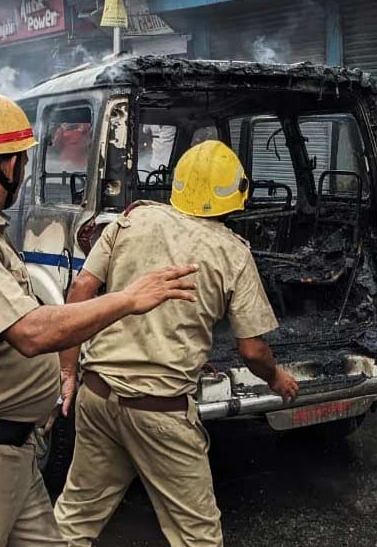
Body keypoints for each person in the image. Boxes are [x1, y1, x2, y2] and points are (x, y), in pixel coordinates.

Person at [0, 91, 199, 547]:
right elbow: (30, 331)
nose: (23, 170)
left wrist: (62, 372)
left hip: (8, 451)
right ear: (4, 165)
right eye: (22, 160)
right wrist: (128, 299)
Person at [54, 140, 300, 546]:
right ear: (237, 194)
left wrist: (68, 368)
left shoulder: (129, 222)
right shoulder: (233, 253)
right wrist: (276, 378)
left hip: (97, 397)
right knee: (197, 536)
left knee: (75, 518)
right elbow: (252, 350)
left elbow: (80, 290)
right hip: (160, 413)